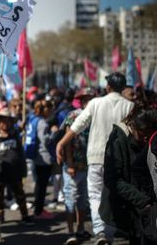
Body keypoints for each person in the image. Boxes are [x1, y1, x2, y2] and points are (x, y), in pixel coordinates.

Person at [57, 72, 134, 245]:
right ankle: (109, 233)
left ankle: (100, 232)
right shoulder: (130, 106)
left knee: (95, 195)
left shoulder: (96, 103)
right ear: (123, 87)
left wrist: (60, 143)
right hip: (118, 159)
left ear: (108, 87)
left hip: (96, 158)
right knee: (114, 194)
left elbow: (77, 126)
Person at [100, 106, 157, 245]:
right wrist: (142, 201)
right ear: (132, 125)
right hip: (130, 208)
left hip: (145, 208)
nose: (146, 138)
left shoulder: (149, 140)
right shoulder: (118, 140)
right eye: (143, 133)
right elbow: (112, 179)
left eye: (150, 134)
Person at [60, 88, 95, 245]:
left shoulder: (95, 115)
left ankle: (80, 229)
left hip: (88, 165)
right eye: (84, 98)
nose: (87, 101)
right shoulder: (73, 115)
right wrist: (70, 164)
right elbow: (67, 142)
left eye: (90, 98)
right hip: (73, 166)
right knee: (70, 199)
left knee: (83, 200)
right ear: (80, 100)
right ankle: (70, 232)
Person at [0, 107, 33, 226]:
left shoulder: (14, 134)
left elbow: (20, 151)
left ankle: (25, 215)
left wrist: (23, 169)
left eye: (8, 121)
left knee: (19, 194)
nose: (5, 124)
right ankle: (0, 217)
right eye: (2, 121)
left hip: (15, 170)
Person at [25, 99, 57, 220]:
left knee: (40, 184)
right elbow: (45, 140)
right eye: (49, 109)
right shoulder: (43, 123)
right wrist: (54, 132)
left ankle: (39, 209)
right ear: (45, 109)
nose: (51, 112)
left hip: (36, 157)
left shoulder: (33, 119)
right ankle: (39, 211)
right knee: (42, 185)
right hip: (44, 158)